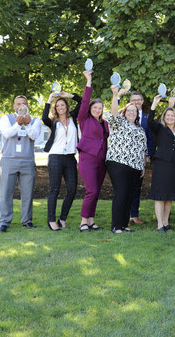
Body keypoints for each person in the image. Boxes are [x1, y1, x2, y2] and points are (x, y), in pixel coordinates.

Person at [105, 85, 148, 234]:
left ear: (137, 114)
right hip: (118, 163)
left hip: (135, 166)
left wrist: (143, 166)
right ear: (125, 112)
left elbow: (143, 149)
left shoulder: (140, 129)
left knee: (130, 195)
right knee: (121, 193)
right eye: (129, 110)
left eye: (134, 111)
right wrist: (116, 95)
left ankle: (124, 224)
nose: (132, 113)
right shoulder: (119, 123)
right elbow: (113, 113)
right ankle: (116, 226)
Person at [0, 95, 42, 232]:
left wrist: (27, 124)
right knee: (6, 192)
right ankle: (4, 221)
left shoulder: (34, 120)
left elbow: (34, 136)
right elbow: (7, 133)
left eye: (23, 103)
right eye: (18, 104)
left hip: (27, 160)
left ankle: (26, 220)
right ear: (14, 106)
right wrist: (18, 123)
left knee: (27, 193)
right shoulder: (6, 118)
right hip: (9, 159)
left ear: (27, 105)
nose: (21, 106)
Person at [42, 90, 82, 231]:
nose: (60, 107)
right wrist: (49, 98)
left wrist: (69, 95)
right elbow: (43, 117)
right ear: (55, 108)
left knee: (72, 189)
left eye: (62, 105)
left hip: (70, 157)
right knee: (55, 189)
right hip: (56, 157)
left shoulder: (73, 118)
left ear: (66, 106)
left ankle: (63, 218)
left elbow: (82, 102)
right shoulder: (53, 121)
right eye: (57, 105)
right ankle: (51, 220)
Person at [148, 96, 175, 232]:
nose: (170, 117)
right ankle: (159, 224)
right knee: (160, 196)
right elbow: (150, 121)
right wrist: (154, 103)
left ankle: (166, 222)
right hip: (162, 165)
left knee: (170, 196)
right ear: (164, 117)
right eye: (168, 115)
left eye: (173, 115)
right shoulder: (160, 128)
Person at [77, 70, 109, 232]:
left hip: (101, 160)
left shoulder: (104, 123)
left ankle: (91, 220)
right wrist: (88, 80)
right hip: (87, 158)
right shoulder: (84, 119)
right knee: (91, 190)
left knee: (96, 192)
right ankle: (83, 221)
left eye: (100, 108)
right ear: (90, 109)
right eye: (95, 107)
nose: (98, 110)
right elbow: (84, 101)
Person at [128, 91, 154, 225]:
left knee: (137, 187)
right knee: (125, 188)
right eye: (133, 100)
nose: (136, 102)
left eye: (138, 100)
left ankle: (134, 215)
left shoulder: (147, 118)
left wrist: (147, 156)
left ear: (143, 101)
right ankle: (124, 215)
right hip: (125, 158)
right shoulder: (124, 115)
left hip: (140, 158)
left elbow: (150, 139)